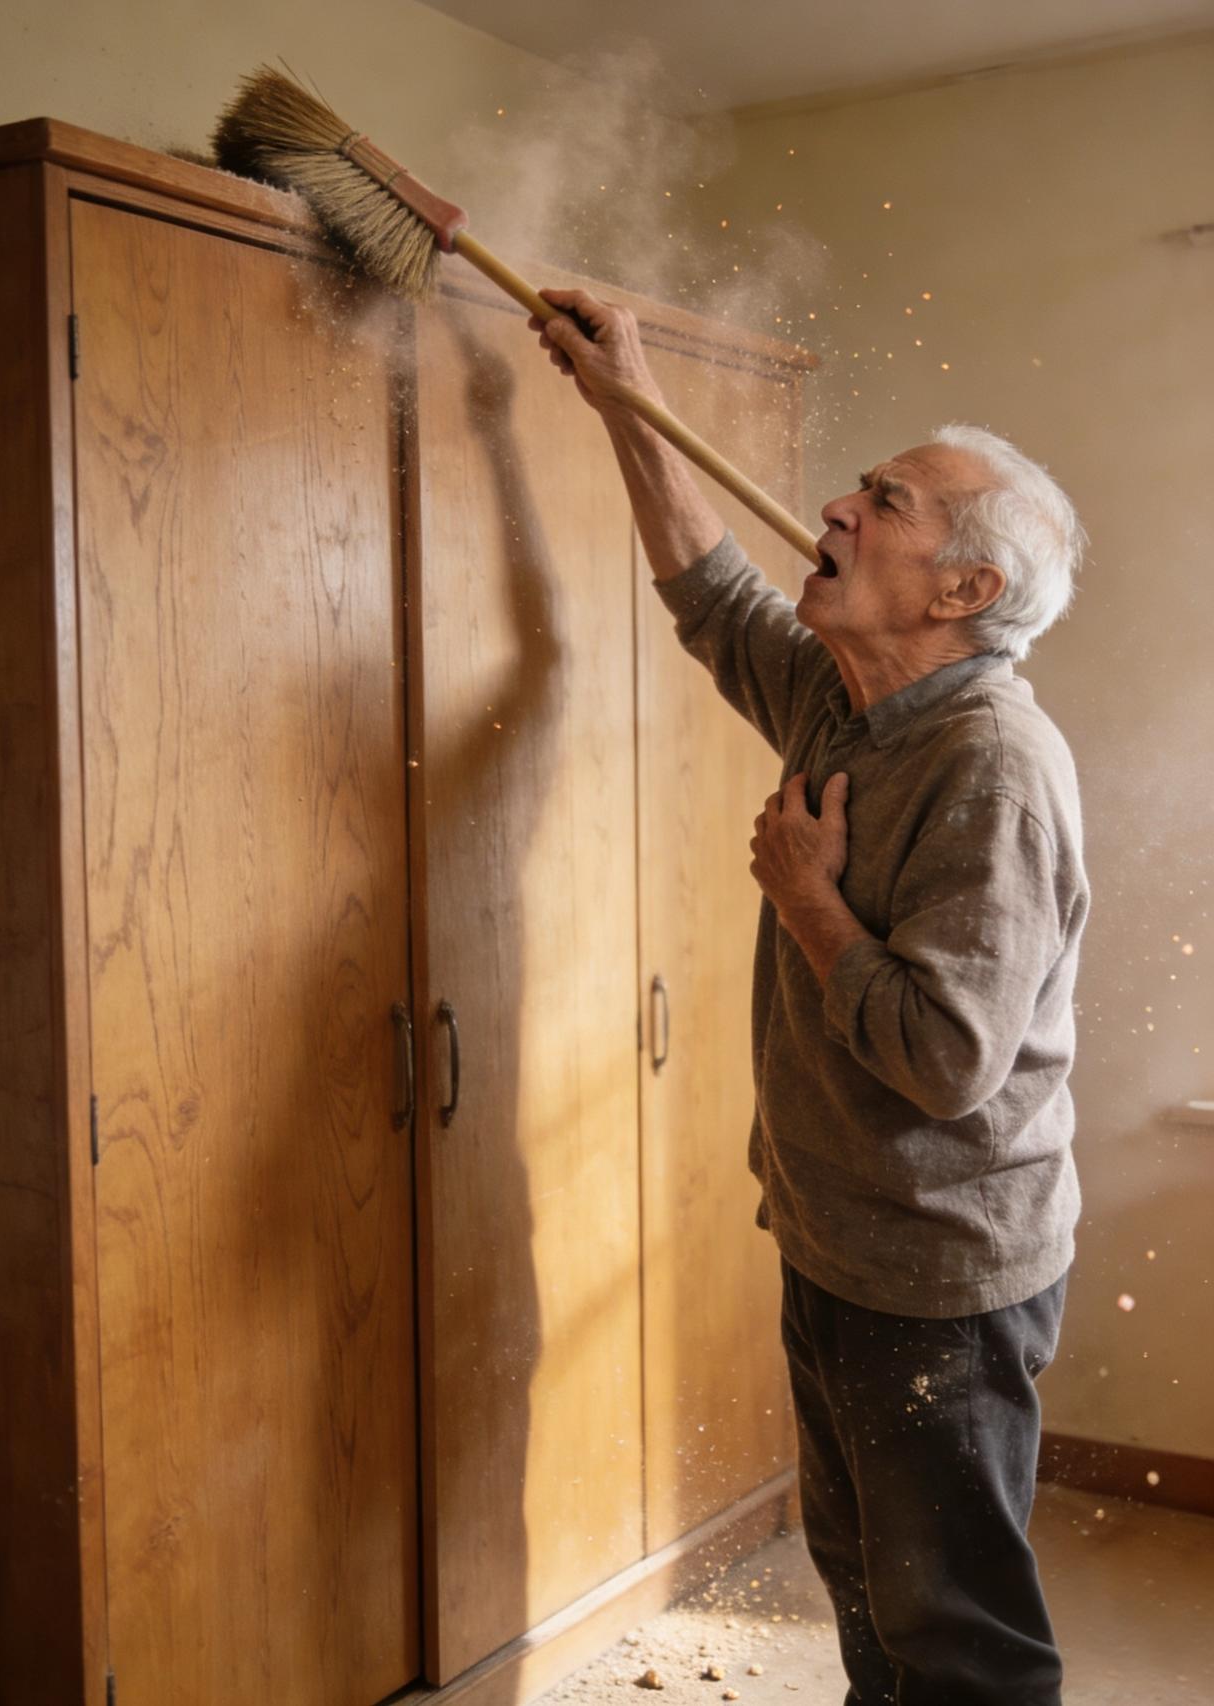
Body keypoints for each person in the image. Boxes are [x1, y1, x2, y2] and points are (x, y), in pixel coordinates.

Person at [527, 289, 1089, 1706]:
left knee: (956, 1637)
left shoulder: (992, 765)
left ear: (963, 590)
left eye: (884, 501)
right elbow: (715, 600)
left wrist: (807, 899)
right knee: (867, 1592)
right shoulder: (850, 702)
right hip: (841, 1236)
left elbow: (946, 1058)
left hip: (940, 1275)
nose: (835, 505)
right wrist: (625, 398)